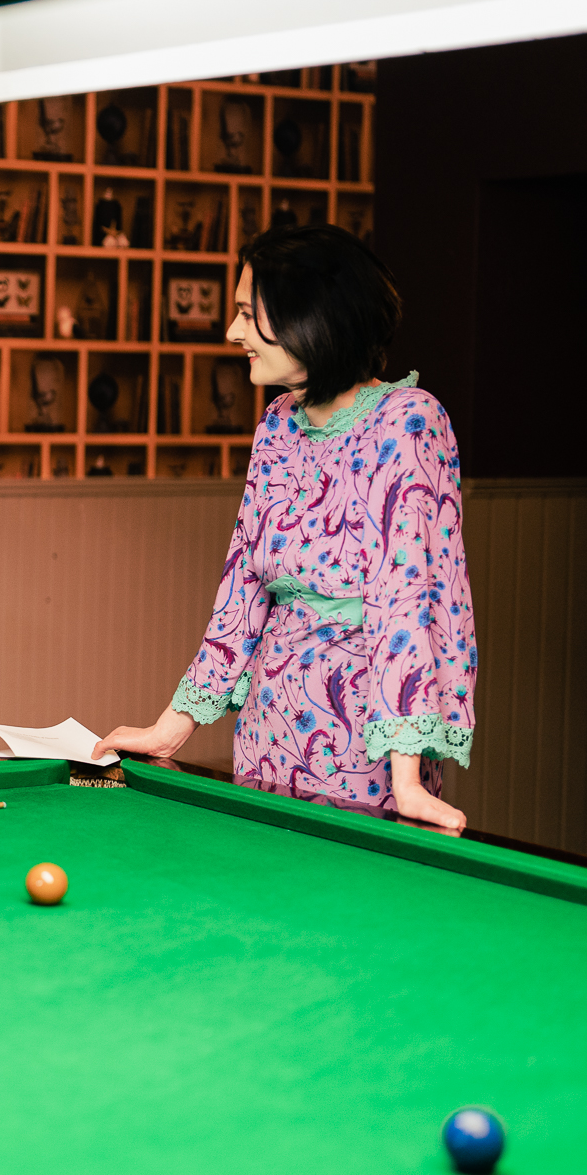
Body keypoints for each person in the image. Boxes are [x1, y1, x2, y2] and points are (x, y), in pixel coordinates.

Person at [94, 225, 475, 829]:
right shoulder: (276, 421)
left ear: (312, 316)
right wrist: (171, 729)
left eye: (248, 313)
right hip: (267, 734)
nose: (233, 332)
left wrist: (406, 780)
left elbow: (411, 601)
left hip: (365, 748)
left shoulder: (410, 421)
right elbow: (243, 585)